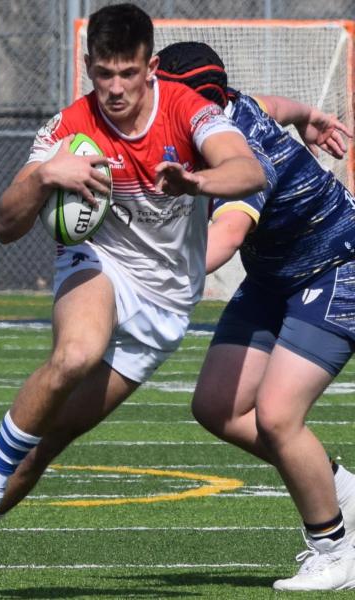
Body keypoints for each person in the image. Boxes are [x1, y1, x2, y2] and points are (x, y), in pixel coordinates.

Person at [0, 4, 267, 598]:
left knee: (46, 445)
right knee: (75, 353)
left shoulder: (186, 110)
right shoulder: (67, 129)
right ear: (88, 68)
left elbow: (247, 169)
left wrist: (195, 182)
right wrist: (47, 175)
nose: (117, 88)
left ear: (151, 67)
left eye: (128, 72)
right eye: (105, 74)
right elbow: (4, 225)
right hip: (99, 263)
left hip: (166, 304)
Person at [154, 42, 355, 591]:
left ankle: (334, 550)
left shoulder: (238, 153)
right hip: (275, 276)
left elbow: (229, 231)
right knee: (217, 406)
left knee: (277, 415)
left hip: (338, 266)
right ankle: (341, 488)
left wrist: (166, 281)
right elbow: (271, 104)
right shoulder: (224, 107)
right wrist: (311, 117)